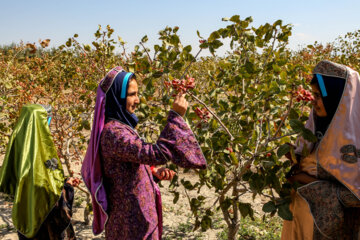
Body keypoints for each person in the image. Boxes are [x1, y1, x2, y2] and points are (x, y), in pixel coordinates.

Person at [81, 66, 207, 239]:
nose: (138, 100)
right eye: (132, 94)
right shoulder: (114, 133)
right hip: (131, 224)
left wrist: (152, 174)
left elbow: (126, 168)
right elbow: (156, 154)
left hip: (136, 220)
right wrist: (176, 117)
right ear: (117, 97)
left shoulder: (121, 128)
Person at [281, 60, 360, 240]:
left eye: (318, 96)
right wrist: (294, 156)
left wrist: (308, 182)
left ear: (336, 98)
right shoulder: (317, 126)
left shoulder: (355, 139)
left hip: (329, 231)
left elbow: (355, 196)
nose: (313, 102)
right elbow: (317, 162)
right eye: (313, 94)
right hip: (300, 219)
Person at [0, 104, 77, 239]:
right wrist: (67, 186)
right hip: (44, 220)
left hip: (24, 213)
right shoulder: (42, 148)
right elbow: (48, 190)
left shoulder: (18, 142)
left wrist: (64, 182)